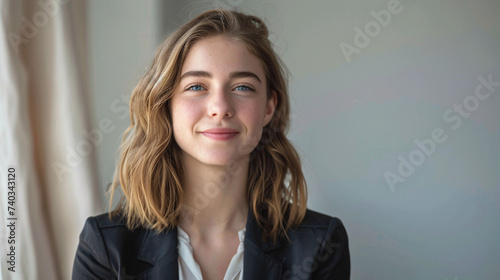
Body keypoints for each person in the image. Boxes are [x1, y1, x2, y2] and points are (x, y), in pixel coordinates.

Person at [72, 9, 350, 280]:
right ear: (166, 104)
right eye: (196, 87)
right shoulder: (105, 246)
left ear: (268, 107)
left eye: (242, 87)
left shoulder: (320, 244)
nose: (220, 108)